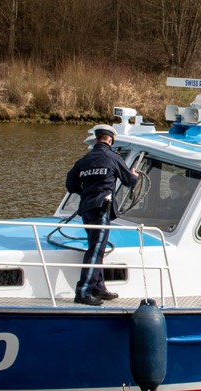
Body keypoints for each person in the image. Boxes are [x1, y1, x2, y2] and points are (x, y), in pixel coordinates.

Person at [66, 124, 139, 306]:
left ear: (96, 138)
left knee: (96, 246)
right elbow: (129, 181)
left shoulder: (84, 160)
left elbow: (71, 186)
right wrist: (134, 175)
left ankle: (98, 287)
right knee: (96, 249)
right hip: (101, 210)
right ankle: (83, 292)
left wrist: (86, 192)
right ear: (110, 140)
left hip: (86, 209)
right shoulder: (113, 158)